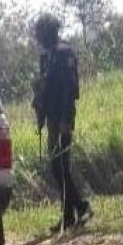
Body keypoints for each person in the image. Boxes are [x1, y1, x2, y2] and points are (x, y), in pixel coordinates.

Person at [32, 13, 92, 232]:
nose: (37, 37)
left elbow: (70, 89)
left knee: (60, 165)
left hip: (63, 117)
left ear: (49, 32)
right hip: (51, 118)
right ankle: (75, 209)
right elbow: (42, 90)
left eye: (40, 32)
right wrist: (40, 114)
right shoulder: (46, 57)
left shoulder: (64, 53)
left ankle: (75, 210)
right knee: (57, 167)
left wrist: (67, 119)